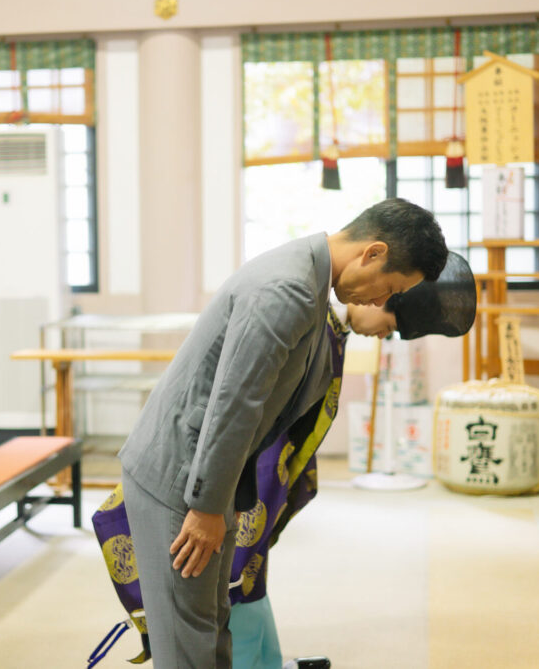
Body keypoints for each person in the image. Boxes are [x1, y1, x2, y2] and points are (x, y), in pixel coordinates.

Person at [117, 198, 449, 668]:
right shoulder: (288, 290)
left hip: (210, 477)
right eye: (389, 289)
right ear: (372, 253)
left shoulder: (308, 280)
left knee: (212, 629)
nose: (380, 302)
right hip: (182, 480)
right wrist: (208, 505)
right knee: (186, 643)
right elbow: (236, 404)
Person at [228, 251, 477, 669]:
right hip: (254, 465)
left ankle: (264, 661)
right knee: (239, 576)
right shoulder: (304, 317)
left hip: (272, 465)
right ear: (380, 296)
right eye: (392, 325)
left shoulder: (331, 328)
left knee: (251, 572)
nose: (385, 334)